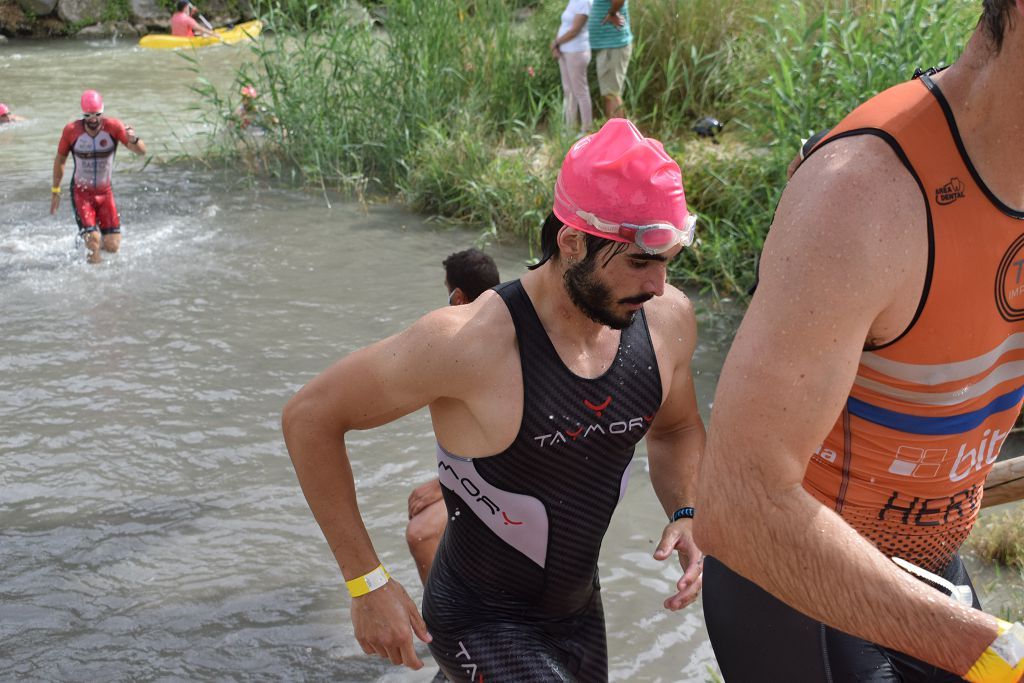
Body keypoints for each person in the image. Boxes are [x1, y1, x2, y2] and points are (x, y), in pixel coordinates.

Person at [282, 118, 706, 679]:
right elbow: (309, 417)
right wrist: (367, 582)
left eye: (665, 262)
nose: (657, 285)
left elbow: (675, 431)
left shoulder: (665, 324)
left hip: (578, 614)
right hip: (478, 618)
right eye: (638, 261)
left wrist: (686, 510)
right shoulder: (467, 343)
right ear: (573, 241)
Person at [693, 2, 1024, 681]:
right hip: (795, 588)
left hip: (931, 569)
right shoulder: (864, 195)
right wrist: (991, 652)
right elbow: (736, 505)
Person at [405, 248, 502, 586]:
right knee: (420, 504)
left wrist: (443, 484)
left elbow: (510, 436)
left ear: (457, 296)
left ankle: (446, 632)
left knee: (421, 533)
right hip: (491, 471)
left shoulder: (477, 348)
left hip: (510, 476)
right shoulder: (503, 331)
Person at [50, 90, 146, 264]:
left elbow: (141, 152)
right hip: (81, 193)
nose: (93, 119)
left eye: (97, 115)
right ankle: (92, 280)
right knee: (94, 240)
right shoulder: (71, 131)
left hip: (105, 192)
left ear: (102, 111)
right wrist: (55, 190)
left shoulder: (114, 127)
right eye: (88, 115)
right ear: (82, 114)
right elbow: (60, 159)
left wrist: (133, 139)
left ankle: (91, 247)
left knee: (112, 246)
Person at [550, 0, 594, 134]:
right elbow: (565, 25)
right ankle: (570, 129)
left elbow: (575, 30)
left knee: (580, 91)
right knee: (568, 91)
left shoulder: (584, 2)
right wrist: (557, 46)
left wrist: (556, 42)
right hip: (565, 51)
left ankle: (586, 129)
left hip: (577, 52)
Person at [588, 0, 632, 119]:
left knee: (611, 94)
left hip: (613, 45)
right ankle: (616, 133)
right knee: (610, 93)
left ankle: (618, 135)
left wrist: (612, 13)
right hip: (608, 46)